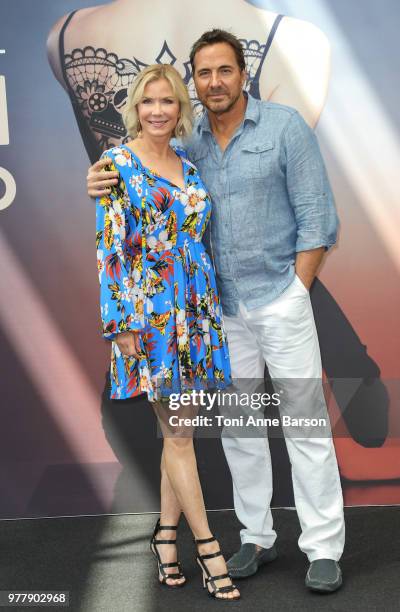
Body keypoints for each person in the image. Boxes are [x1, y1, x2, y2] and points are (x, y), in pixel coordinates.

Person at [48, 0, 390, 452]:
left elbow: (274, 204)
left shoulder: (65, 34)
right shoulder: (299, 41)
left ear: (240, 73)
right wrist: (113, 171)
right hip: (177, 293)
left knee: (249, 434)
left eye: (224, 72)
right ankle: (353, 374)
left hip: (214, 289)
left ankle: (349, 379)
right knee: (224, 437)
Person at [89, 30, 345, 593]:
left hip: (280, 300)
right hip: (215, 316)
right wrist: (99, 179)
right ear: (194, 83)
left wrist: (296, 293)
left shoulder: (285, 128)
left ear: (242, 73)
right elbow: (134, 192)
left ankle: (323, 547)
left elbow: (318, 220)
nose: (214, 83)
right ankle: (255, 537)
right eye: (203, 74)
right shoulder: (188, 140)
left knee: (304, 426)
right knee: (239, 431)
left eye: (224, 71)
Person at [97, 62, 240, 601]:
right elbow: (110, 250)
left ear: (181, 109)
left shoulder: (186, 162)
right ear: (135, 107)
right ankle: (209, 549)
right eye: (148, 102)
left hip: (196, 313)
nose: (158, 111)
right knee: (181, 434)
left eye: (169, 102)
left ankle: (164, 536)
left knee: (176, 434)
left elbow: (195, 237)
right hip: (149, 319)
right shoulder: (116, 164)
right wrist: (121, 327)